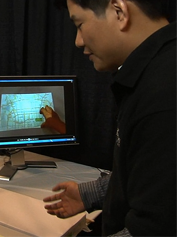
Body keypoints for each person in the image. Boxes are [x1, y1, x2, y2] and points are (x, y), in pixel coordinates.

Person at [43, 0, 177, 237]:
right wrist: (92, 193)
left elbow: (154, 229)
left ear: (119, 12)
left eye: (80, 24)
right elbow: (153, 179)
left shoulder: (163, 95)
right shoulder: (156, 71)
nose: (78, 41)